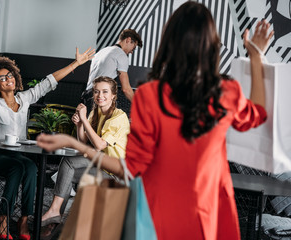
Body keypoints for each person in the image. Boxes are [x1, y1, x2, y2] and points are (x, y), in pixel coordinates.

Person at [37, 2, 274, 240]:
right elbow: (259, 114)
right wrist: (256, 56)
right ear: (211, 46)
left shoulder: (150, 96)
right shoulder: (225, 91)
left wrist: (77, 144)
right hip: (209, 208)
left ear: (168, 43)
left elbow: (130, 169)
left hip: (159, 211)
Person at [0, 47, 95, 240]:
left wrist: (76, 64)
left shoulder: (25, 99)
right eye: (2, 78)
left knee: (30, 167)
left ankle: (23, 219)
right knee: (18, 168)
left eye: (10, 75)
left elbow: (49, 82)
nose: (9, 79)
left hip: (15, 156)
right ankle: (3, 218)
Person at [41, 76, 130, 226]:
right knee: (66, 172)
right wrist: (79, 125)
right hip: (101, 164)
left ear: (113, 95)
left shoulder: (119, 117)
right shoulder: (95, 113)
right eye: (96, 92)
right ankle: (54, 219)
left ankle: (54, 213)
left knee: (68, 163)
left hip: (117, 174)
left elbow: (100, 145)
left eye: (105, 92)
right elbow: (83, 142)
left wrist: (84, 119)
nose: (100, 96)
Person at [81, 29, 143, 112]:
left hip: (86, 95)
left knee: (85, 124)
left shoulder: (102, 51)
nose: (132, 52)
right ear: (128, 40)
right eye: (133, 48)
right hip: (98, 99)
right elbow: (126, 89)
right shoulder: (121, 55)